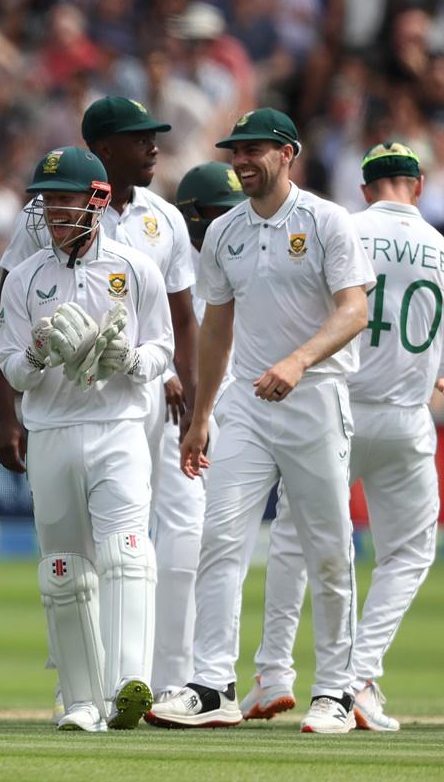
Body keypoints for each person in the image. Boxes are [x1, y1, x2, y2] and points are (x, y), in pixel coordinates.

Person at [149, 109, 374, 734]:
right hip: (246, 404)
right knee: (220, 540)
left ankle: (335, 691)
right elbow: (216, 326)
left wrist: (298, 362)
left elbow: (354, 309)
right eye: (235, 151)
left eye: (255, 150)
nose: (242, 160)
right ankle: (212, 685)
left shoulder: (327, 222)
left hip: (315, 395)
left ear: (288, 154)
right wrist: (200, 416)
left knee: (328, 547)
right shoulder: (224, 233)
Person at [238, 143, 443, 732]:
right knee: (407, 552)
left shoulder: (339, 227)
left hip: (336, 407)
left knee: (296, 541)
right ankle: (358, 678)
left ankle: (273, 673)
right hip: (407, 416)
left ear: (364, 188)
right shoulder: (441, 248)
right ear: (419, 185)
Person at [0, 146, 173, 731]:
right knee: (64, 570)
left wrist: (131, 359)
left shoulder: (136, 269)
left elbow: (161, 348)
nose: (51, 211)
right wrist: (36, 355)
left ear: (97, 201)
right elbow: (9, 367)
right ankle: (80, 702)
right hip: (50, 430)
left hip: (117, 427)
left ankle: (127, 685)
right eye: (45, 200)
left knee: (126, 552)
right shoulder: (24, 278)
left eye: (64, 198)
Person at [80, 96, 202, 704]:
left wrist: (194, 397)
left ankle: (169, 677)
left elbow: (182, 317)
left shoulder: (164, 217)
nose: (153, 146)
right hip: (79, 395)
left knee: (177, 527)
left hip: (156, 393)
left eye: (154, 137)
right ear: (104, 149)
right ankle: (84, 677)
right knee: (88, 538)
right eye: (139, 138)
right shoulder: (60, 208)